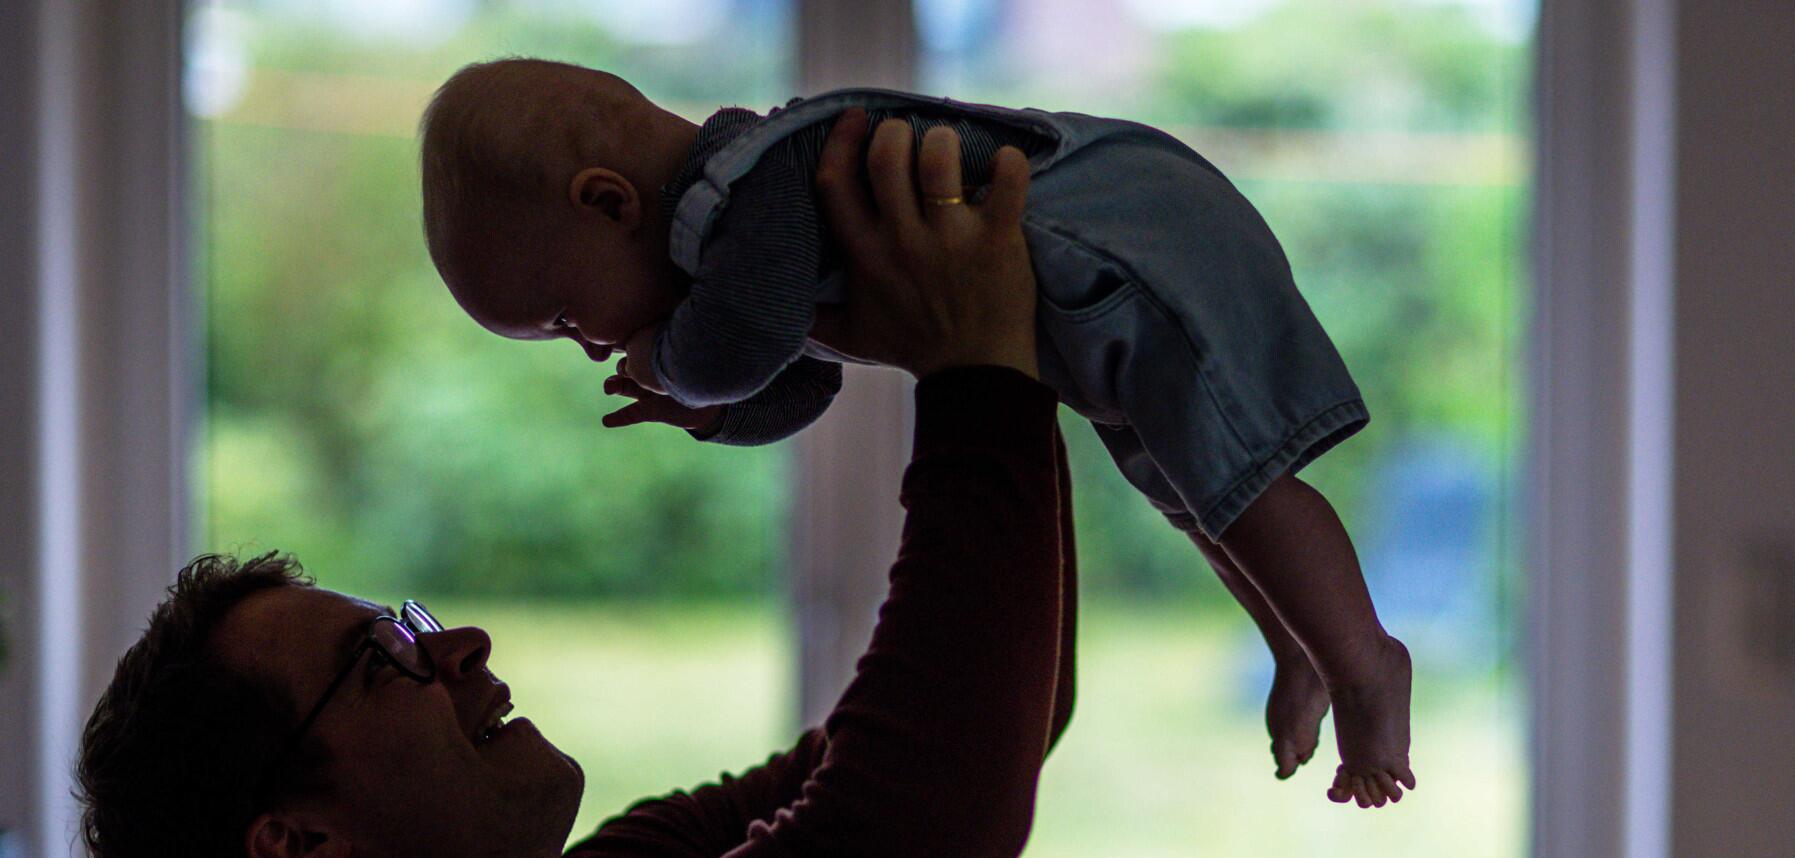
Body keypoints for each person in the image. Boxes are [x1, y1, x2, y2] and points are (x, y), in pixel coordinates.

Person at [75, 108, 1076, 858]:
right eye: (384, 662)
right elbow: (921, 810)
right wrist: (978, 372)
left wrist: (1020, 354)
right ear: (300, 839)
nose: (461, 643)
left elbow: (993, 726)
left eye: (408, 624)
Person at [417, 58, 1415, 809]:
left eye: (561, 318)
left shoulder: (753, 187)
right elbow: (801, 378)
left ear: (608, 201)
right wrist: (720, 412)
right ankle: (1299, 645)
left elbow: (748, 337)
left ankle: (1367, 665)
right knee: (1198, 491)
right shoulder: (752, 241)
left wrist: (677, 367)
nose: (588, 346)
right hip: (1092, 295)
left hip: (1128, 241)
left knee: (1240, 477)